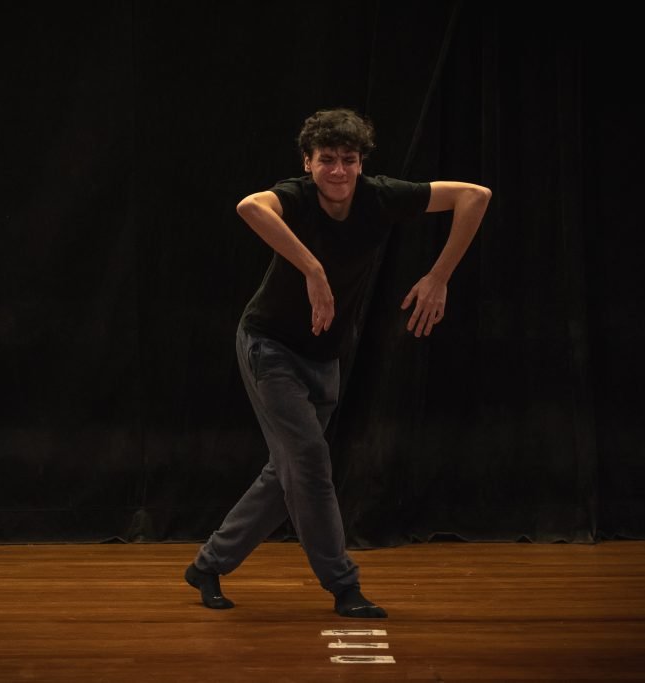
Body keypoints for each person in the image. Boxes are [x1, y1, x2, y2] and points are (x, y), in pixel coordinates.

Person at [185, 108, 491, 618]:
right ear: (308, 163)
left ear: (360, 164)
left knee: (287, 475)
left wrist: (439, 277)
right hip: (269, 346)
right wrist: (313, 269)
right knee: (308, 463)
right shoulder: (297, 197)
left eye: (349, 160)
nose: (338, 171)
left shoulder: (379, 195)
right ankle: (344, 586)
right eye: (326, 160)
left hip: (324, 355)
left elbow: (474, 196)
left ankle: (209, 565)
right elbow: (249, 207)